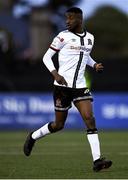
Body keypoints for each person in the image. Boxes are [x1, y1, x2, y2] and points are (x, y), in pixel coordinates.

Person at [23, 7, 112, 172]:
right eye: (66, 18)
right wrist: (55, 74)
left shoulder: (90, 38)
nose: (67, 21)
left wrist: (94, 64)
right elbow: (46, 57)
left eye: (70, 18)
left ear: (79, 19)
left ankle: (97, 160)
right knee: (58, 125)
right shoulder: (62, 36)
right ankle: (33, 136)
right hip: (62, 87)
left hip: (80, 86)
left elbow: (85, 56)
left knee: (89, 119)